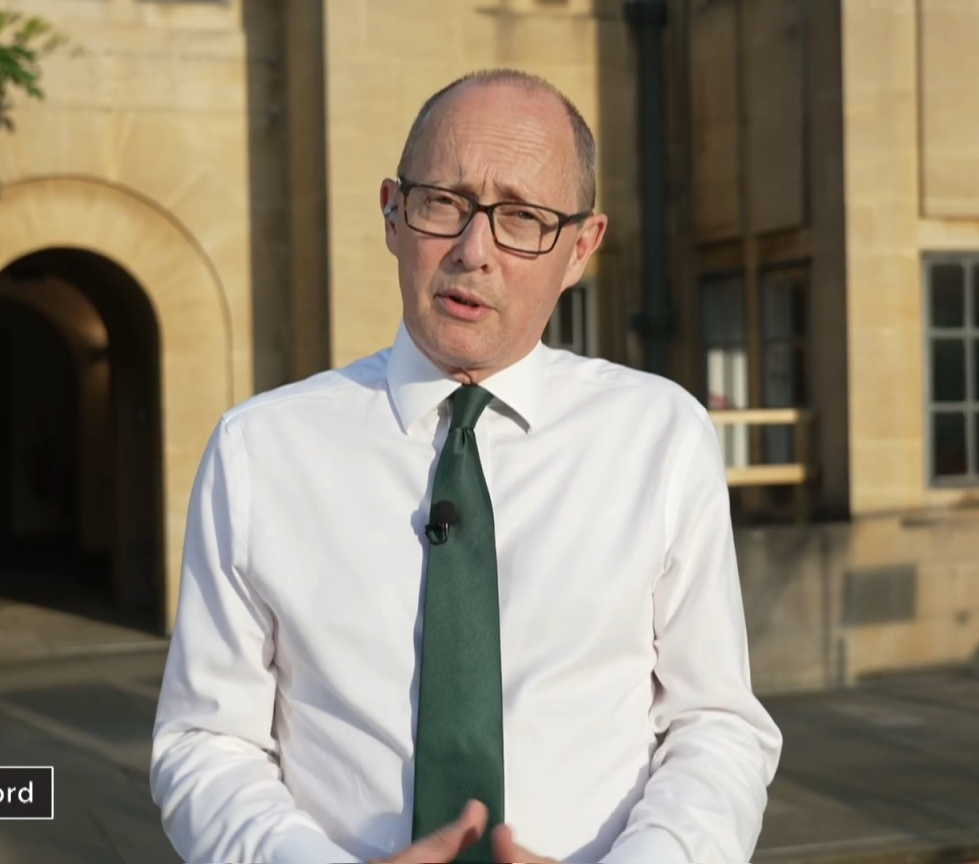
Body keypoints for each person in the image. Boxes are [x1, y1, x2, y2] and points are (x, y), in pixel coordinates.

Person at [150, 68, 782, 864]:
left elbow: (715, 724)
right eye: (443, 204)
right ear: (391, 212)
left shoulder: (661, 437)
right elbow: (205, 742)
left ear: (582, 247)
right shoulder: (259, 451)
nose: (473, 251)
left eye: (522, 217)